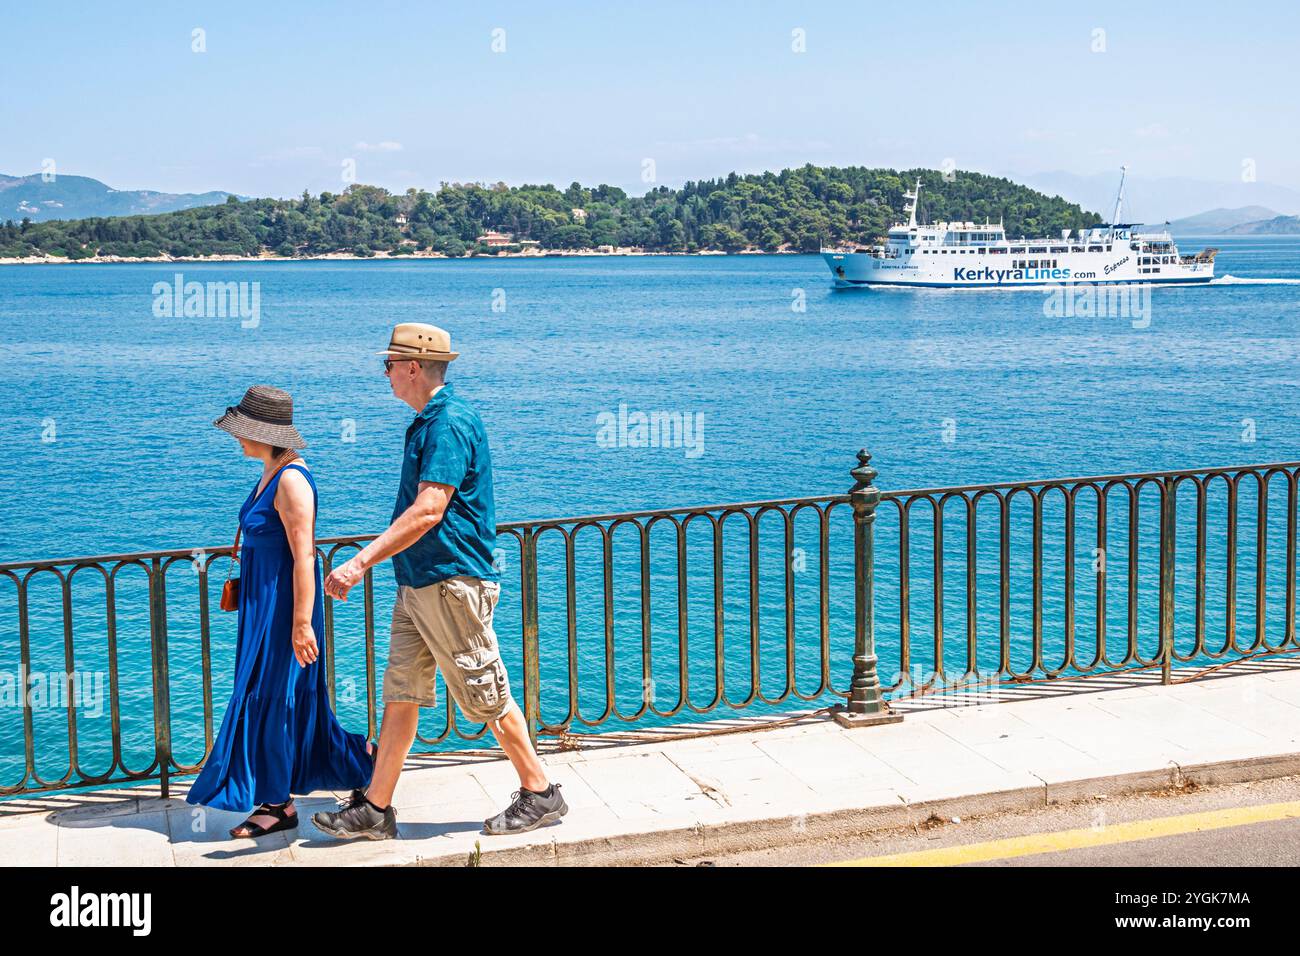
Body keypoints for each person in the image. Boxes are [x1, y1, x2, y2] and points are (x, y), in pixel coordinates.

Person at [311, 323, 567, 840]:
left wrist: (360, 563)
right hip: (421, 582)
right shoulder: (431, 421)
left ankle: (540, 793)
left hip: (450, 581)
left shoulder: (448, 422)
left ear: (411, 367)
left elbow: (429, 509)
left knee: (484, 689)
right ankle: (376, 809)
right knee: (402, 694)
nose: (384, 374)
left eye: (387, 365)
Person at [187, 385, 373, 838]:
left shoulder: (291, 479)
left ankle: (279, 803)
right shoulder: (272, 470)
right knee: (277, 700)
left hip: (283, 611)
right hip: (263, 607)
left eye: (244, 432)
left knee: (274, 700)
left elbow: (304, 557)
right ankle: (359, 762)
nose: (238, 439)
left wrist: (302, 623)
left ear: (268, 434)